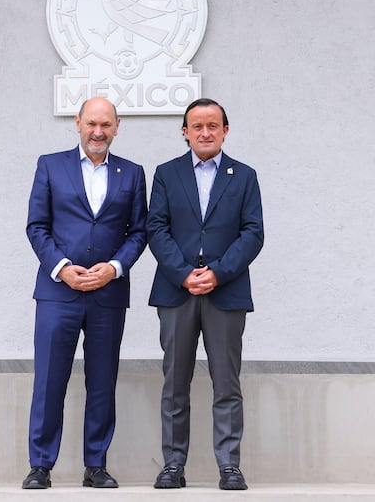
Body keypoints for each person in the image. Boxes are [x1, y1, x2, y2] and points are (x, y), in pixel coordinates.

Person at [22, 97, 148, 490]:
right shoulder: (50, 165)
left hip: (108, 295)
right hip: (59, 292)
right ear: (77, 123)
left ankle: (96, 464)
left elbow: (139, 231)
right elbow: (37, 226)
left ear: (117, 126)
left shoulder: (132, 172)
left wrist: (114, 268)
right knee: (49, 379)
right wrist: (62, 269)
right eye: (91, 123)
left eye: (105, 125)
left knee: (102, 380)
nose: (98, 132)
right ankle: (41, 465)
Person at [146, 98, 264, 491]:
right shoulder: (166, 174)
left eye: (213, 125)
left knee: (226, 384)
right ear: (185, 132)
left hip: (225, 293)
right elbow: (156, 229)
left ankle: (229, 466)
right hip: (176, 292)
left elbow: (253, 233)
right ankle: (173, 465)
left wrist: (217, 272)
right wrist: (183, 274)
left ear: (226, 131)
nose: (205, 132)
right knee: (174, 383)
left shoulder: (244, 176)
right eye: (197, 126)